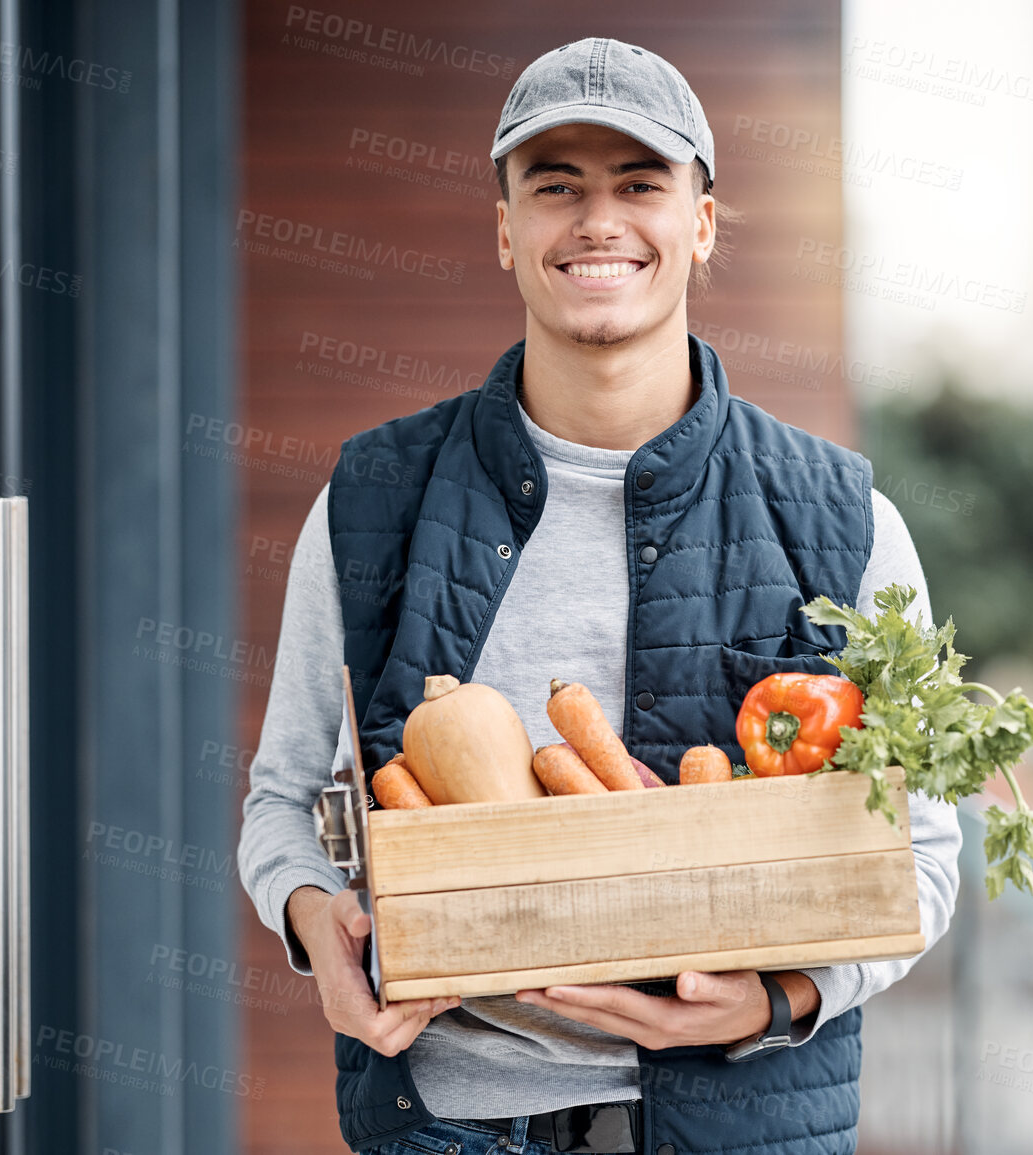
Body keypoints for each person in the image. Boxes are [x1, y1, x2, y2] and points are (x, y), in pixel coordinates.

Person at [238, 36, 962, 1155]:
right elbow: (286, 797)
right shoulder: (375, 498)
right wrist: (315, 930)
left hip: (738, 1124)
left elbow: (923, 854)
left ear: (704, 222)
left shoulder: (842, 520)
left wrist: (783, 997)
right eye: (556, 186)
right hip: (448, 1124)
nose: (598, 223)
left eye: (639, 184)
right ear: (505, 229)